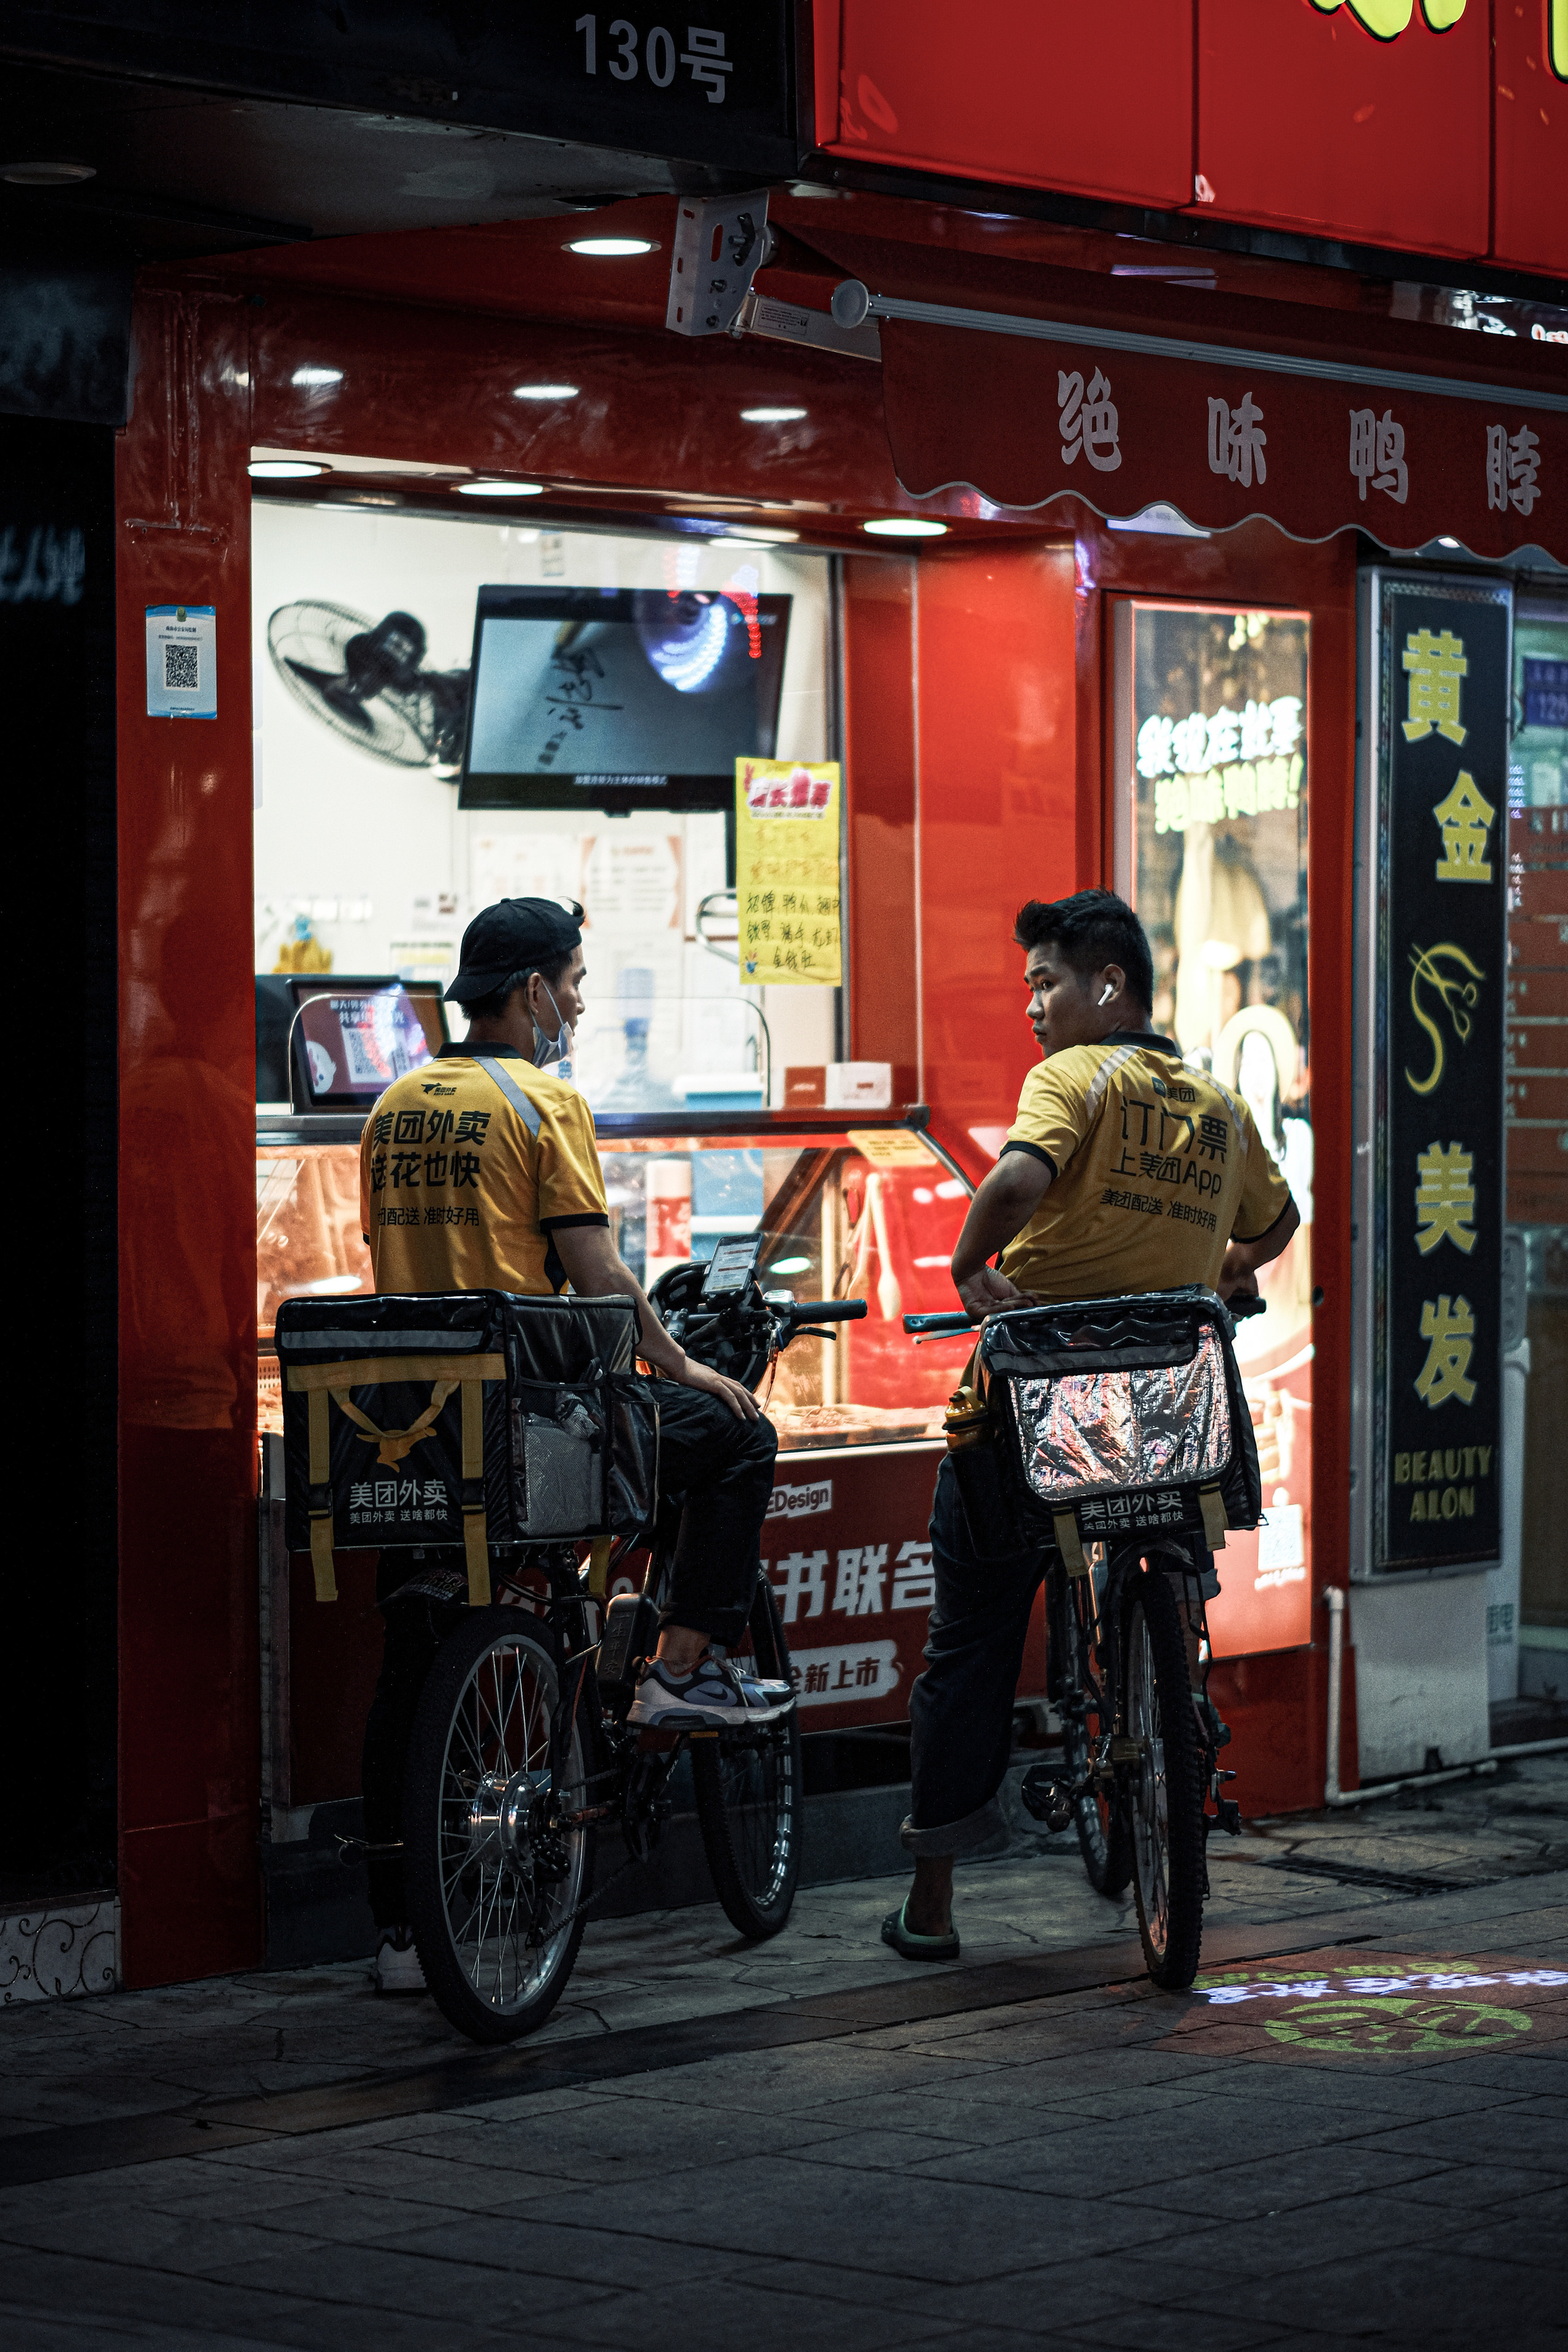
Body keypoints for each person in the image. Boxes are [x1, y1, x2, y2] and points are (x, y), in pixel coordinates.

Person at [357, 896, 785, 1992]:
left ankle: (399, 1933)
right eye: (576, 983)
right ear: (532, 990)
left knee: (411, 1656)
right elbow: (595, 1275)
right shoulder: (541, 1101)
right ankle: (678, 1673)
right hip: (535, 1427)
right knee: (739, 1437)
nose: (582, 1004)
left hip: (411, 1435)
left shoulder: (394, 1105)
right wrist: (681, 1366)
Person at [884, 888, 1299, 1964]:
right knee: (1164, 1547)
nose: (1032, 1006)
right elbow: (1280, 1220)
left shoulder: (1075, 1077)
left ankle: (932, 1905)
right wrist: (1226, 1267)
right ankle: (1170, 1706)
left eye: (1045, 982)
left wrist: (969, 1267)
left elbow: (1017, 1181)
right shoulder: (1216, 1099)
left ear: (1108, 985)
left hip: (1037, 1415)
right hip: (1165, 1418)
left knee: (971, 1642)